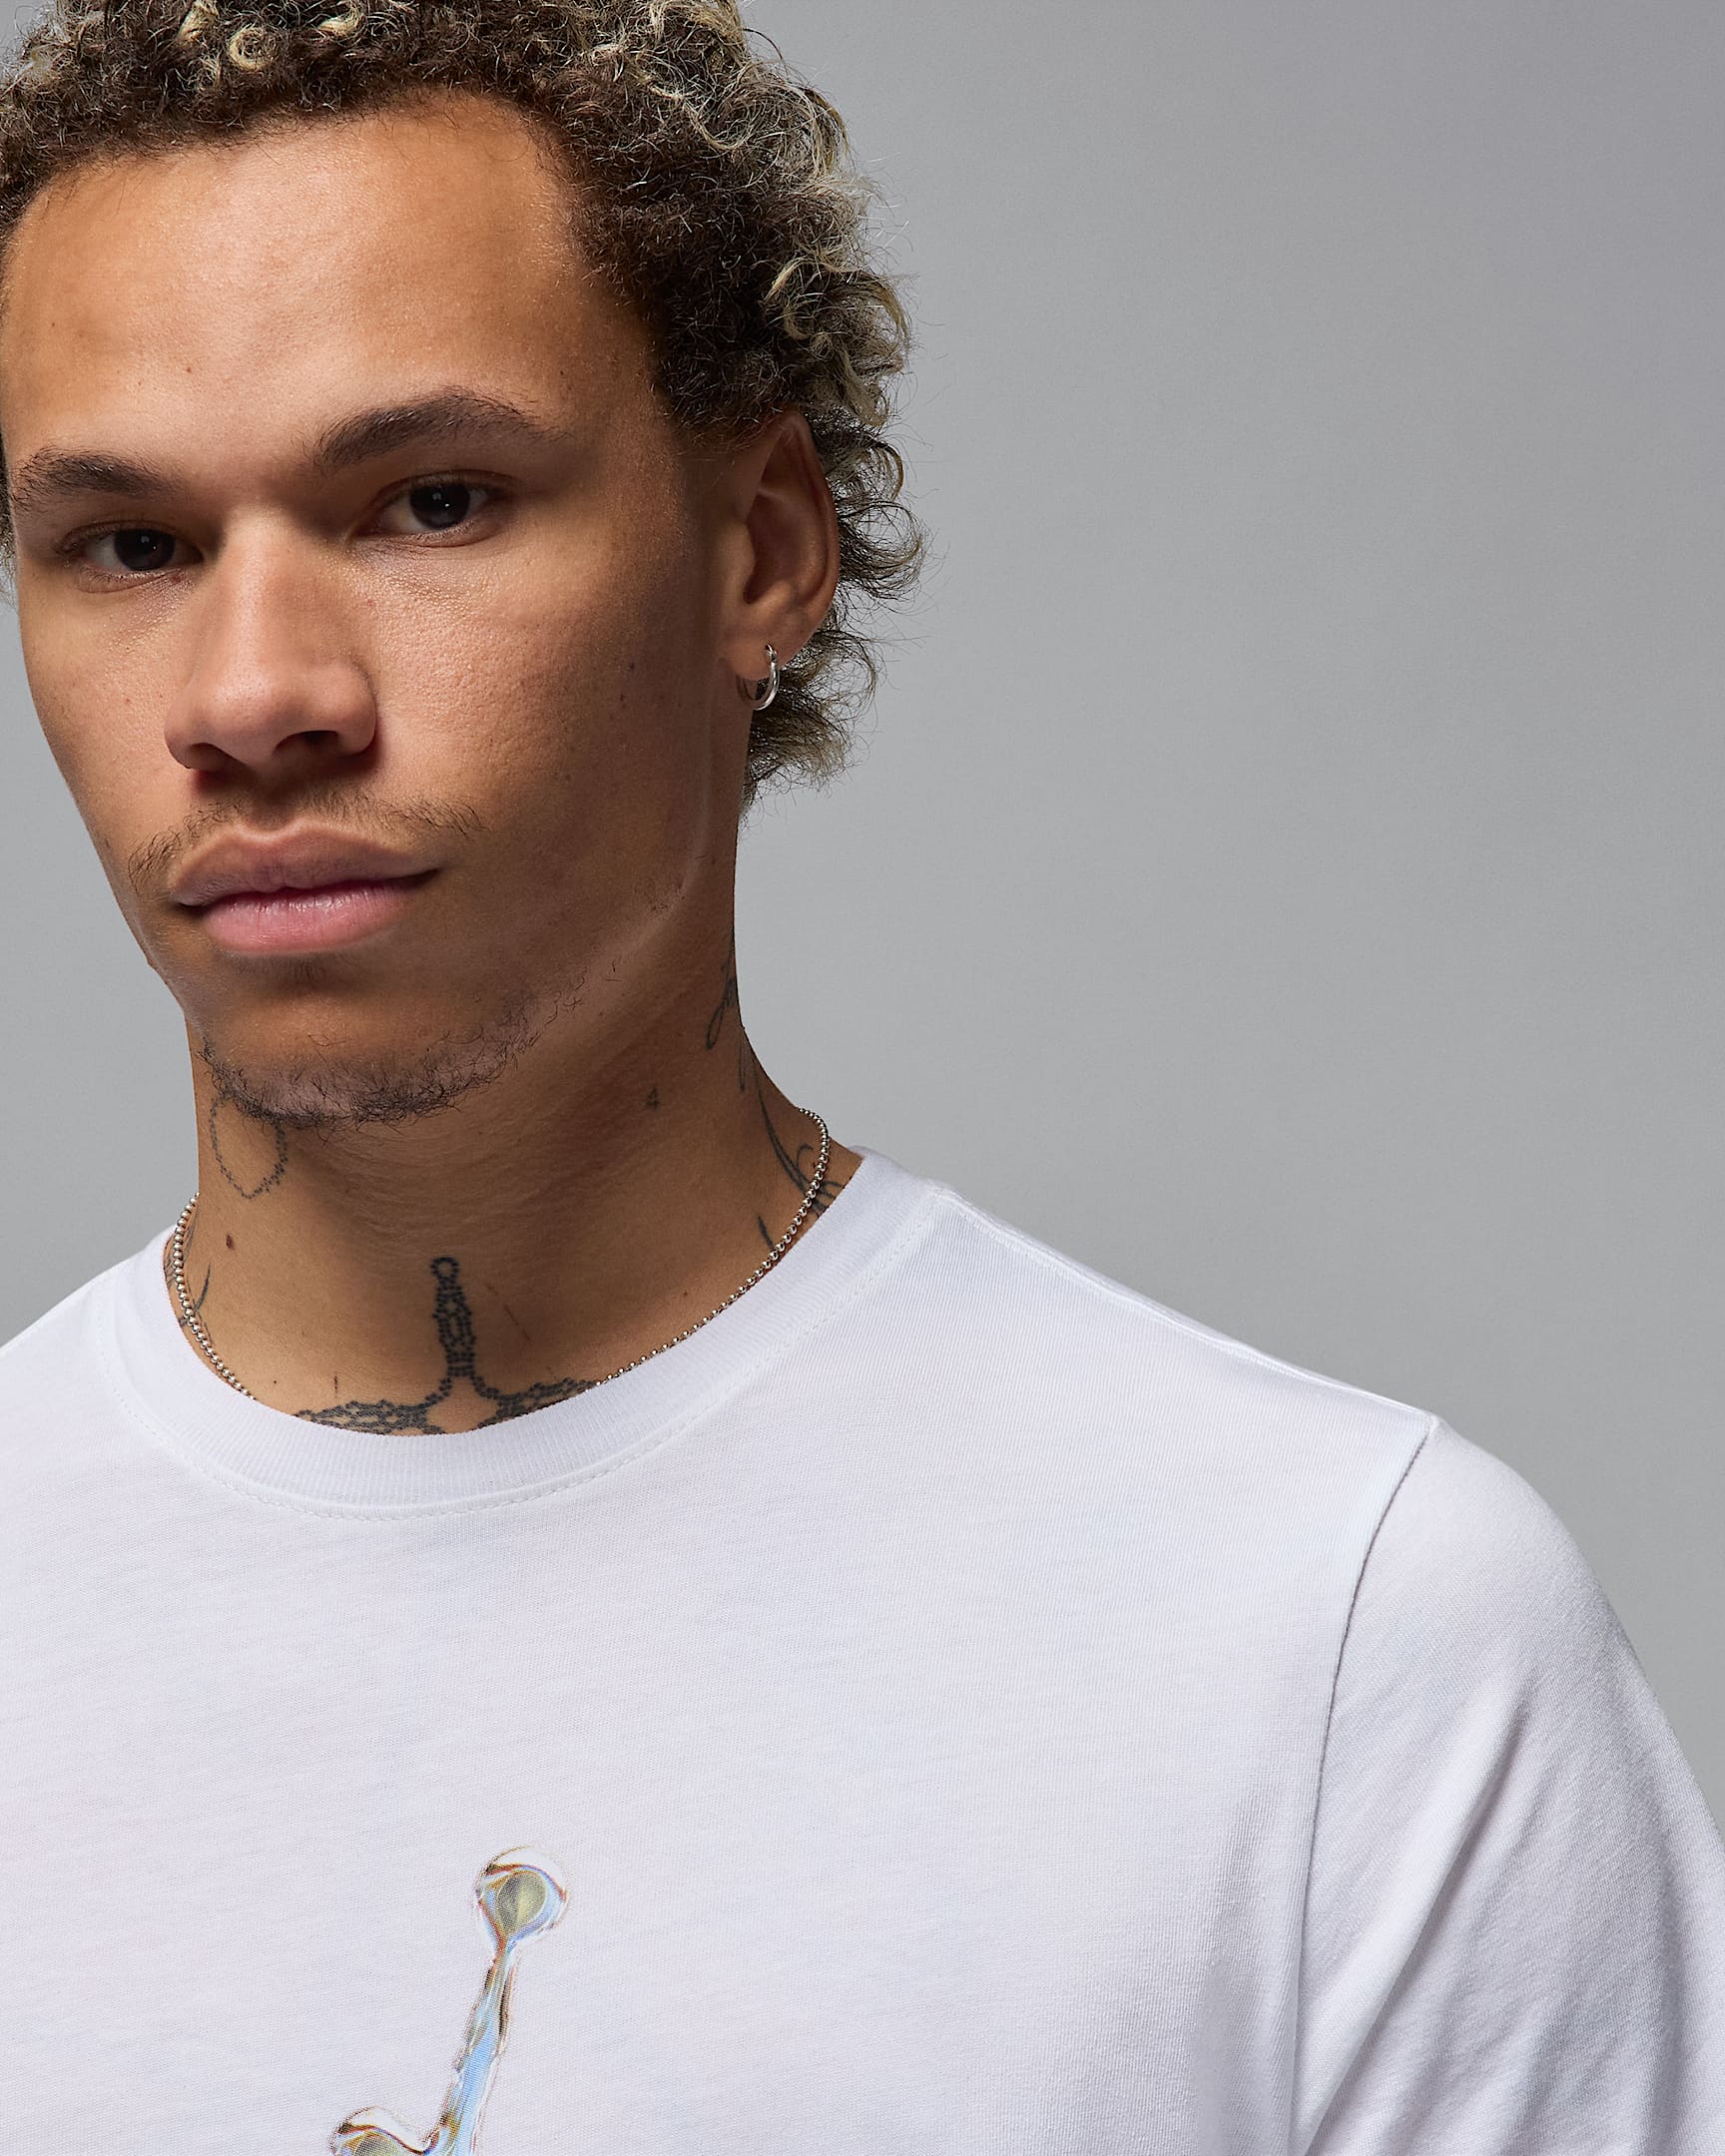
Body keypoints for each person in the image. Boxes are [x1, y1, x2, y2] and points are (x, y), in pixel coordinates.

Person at [0, 1, 1719, 2150]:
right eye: (130, 545)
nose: (256, 697)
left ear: (763, 552)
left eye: (434, 501)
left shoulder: (1345, 1644)